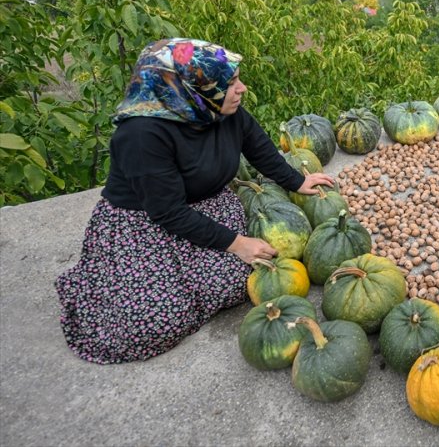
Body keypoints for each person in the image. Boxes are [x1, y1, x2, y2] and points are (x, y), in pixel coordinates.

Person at [55, 38, 337, 364]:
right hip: (145, 223)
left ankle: (192, 280)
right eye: (231, 83)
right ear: (191, 87)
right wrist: (235, 243)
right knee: (154, 322)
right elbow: (167, 211)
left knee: (240, 283)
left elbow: (260, 150)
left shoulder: (220, 109)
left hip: (206, 208)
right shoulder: (141, 135)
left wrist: (298, 181)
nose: (242, 88)